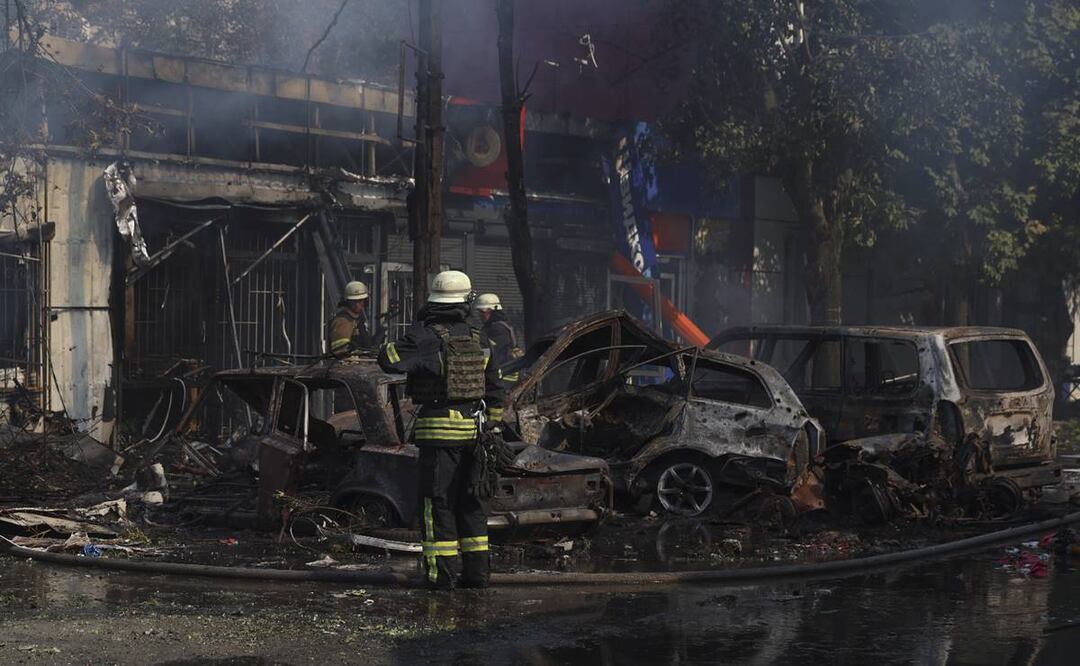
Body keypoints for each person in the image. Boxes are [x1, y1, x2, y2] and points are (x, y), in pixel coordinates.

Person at [377, 270, 503, 589]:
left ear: (433, 302)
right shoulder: (480, 338)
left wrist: (416, 330)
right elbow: (496, 390)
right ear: (466, 302)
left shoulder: (425, 337)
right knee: (473, 502)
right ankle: (477, 575)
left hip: (439, 435)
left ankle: (440, 576)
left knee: (437, 503)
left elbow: (388, 359)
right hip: (477, 435)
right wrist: (493, 427)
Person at [473, 293, 522, 414]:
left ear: (493, 311)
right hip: (500, 375)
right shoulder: (496, 327)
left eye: (483, 312)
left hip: (504, 376)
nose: (480, 316)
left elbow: (493, 354)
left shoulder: (497, 329)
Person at [326, 281, 374, 357]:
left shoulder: (357, 319)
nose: (358, 305)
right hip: (348, 367)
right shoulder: (343, 321)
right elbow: (340, 353)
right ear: (348, 302)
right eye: (354, 301)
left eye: (361, 301)